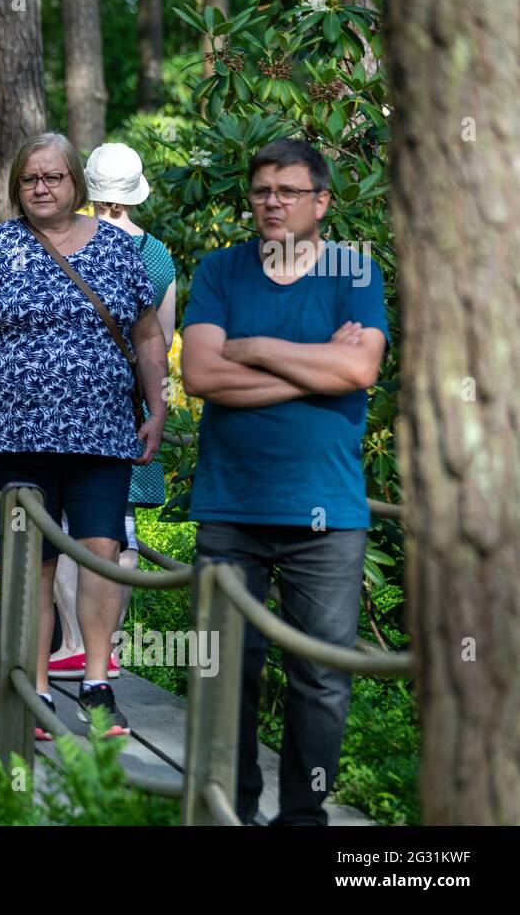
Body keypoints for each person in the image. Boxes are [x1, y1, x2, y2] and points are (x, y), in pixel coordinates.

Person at [180, 138, 387, 825]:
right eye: (262, 189)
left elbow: (360, 374)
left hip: (326, 513)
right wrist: (317, 365)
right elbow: (201, 375)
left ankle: (303, 818)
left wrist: (260, 348)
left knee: (322, 680)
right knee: (224, 670)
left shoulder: (354, 273)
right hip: (231, 506)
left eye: (289, 191)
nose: (272, 202)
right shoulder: (221, 271)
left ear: (322, 201)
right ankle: (227, 808)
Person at [0, 132, 169, 739]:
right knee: (30, 563)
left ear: (77, 185)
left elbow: (148, 336)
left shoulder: (119, 253)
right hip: (18, 437)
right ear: (16, 188)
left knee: (100, 554)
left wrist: (156, 406)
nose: (40, 187)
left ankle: (97, 685)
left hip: (102, 435)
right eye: (28, 179)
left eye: (53, 177)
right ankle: (36, 687)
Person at [88, 142, 178, 680]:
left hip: (73, 400)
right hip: (134, 399)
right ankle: (111, 645)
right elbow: (160, 342)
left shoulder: (70, 240)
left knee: (73, 524)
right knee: (120, 527)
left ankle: (73, 642)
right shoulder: (157, 254)